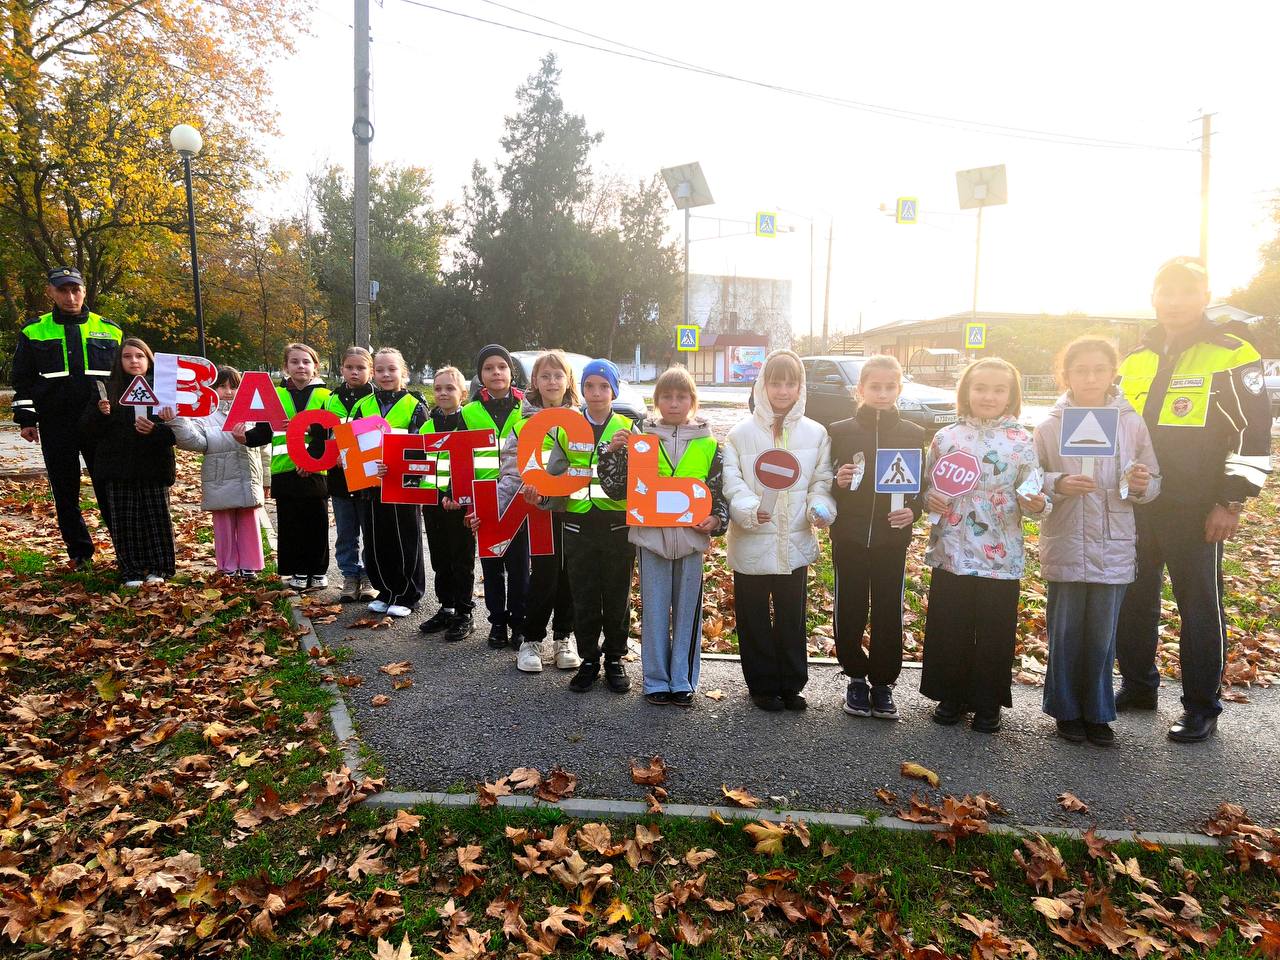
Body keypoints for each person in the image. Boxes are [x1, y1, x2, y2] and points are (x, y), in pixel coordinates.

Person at [1114, 256, 1272, 743]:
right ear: (1154, 297)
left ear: (1204, 297)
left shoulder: (1231, 352)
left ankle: (1201, 705)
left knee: (1199, 607)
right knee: (1133, 600)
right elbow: (1114, 430)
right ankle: (1139, 687)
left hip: (1198, 507)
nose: (1175, 302)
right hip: (1138, 504)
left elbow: (1254, 432)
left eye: (1186, 292)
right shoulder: (1136, 358)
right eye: (1166, 292)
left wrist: (1231, 501)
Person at [1034, 338, 1160, 746]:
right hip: (1067, 540)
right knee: (1066, 631)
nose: (1090, 378)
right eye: (1081, 370)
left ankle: (1099, 712)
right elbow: (1031, 480)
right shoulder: (1050, 424)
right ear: (1065, 375)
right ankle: (1066, 710)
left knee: (1103, 635)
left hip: (1113, 542)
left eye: (1099, 369)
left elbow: (1151, 480)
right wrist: (1059, 483)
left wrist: (1140, 484)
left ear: (1112, 373)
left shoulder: (1130, 422)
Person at [920, 357, 1047, 733]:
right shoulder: (946, 437)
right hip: (952, 548)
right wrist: (930, 498)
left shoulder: (1024, 442)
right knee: (951, 622)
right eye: (980, 388)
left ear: (1012, 395)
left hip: (999, 549)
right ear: (966, 392)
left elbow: (1033, 489)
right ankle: (951, 694)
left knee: (995, 627)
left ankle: (988, 700)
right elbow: (928, 484)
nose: (988, 396)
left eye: (998, 389)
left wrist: (1036, 504)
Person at [599, 365, 727, 706]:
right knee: (654, 611)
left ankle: (683, 679)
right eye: (666, 396)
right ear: (656, 401)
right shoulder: (640, 440)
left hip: (690, 541)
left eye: (681, 396)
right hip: (651, 539)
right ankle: (655, 680)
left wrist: (716, 519)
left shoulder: (710, 445)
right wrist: (612, 453)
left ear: (693, 401)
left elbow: (719, 492)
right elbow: (614, 489)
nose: (674, 403)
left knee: (687, 612)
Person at [722, 350, 835, 712]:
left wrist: (820, 508)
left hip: (794, 541)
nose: (782, 390)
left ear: (801, 387)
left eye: (790, 383)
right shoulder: (740, 435)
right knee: (753, 615)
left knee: (791, 615)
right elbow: (732, 484)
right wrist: (752, 511)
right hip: (752, 538)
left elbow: (821, 480)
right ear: (762, 385)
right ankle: (762, 685)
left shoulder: (816, 434)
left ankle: (792, 683)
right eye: (775, 382)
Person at [828, 355, 923, 720]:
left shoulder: (913, 434)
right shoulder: (840, 430)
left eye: (889, 387)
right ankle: (855, 676)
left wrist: (912, 510)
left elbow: (921, 487)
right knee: (850, 606)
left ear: (899, 389)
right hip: (849, 536)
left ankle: (883, 683)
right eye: (875, 387)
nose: (882, 393)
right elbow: (827, 483)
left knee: (888, 609)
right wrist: (838, 481)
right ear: (860, 390)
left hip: (891, 539)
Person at [10, 266, 122, 566]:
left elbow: (123, 379)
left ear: (84, 291)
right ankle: (81, 553)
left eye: (75, 290)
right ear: (51, 292)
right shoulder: (34, 330)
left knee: (110, 486)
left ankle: (125, 550)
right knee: (65, 490)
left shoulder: (110, 329)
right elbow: (22, 378)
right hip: (56, 422)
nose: (70, 296)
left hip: (100, 423)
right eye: (63, 290)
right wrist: (26, 419)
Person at [546, 359, 637, 694]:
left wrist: (613, 453)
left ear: (614, 390)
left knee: (617, 596)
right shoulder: (566, 428)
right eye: (589, 386)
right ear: (581, 390)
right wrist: (541, 494)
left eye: (603, 386)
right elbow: (553, 474)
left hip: (616, 525)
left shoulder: (628, 428)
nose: (596, 393)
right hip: (577, 524)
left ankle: (614, 658)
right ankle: (588, 660)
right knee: (582, 596)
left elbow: (638, 479)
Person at [495, 350, 582, 673]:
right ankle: (531, 641)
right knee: (543, 574)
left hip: (572, 510)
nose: (551, 381)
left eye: (558, 375)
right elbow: (511, 466)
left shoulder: (581, 421)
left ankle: (563, 638)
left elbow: (586, 466)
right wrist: (513, 499)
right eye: (545, 376)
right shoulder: (522, 422)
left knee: (569, 575)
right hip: (536, 511)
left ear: (568, 380)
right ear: (535, 381)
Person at [82, 337, 177, 587]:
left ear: (149, 360)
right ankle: (131, 570)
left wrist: (156, 429)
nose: (134, 361)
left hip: (154, 466)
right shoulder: (105, 390)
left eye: (139, 356)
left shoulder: (165, 391)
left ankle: (161, 567)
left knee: (157, 519)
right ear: (119, 361)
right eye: (127, 356)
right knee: (126, 521)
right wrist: (100, 414)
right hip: (118, 467)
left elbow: (177, 435)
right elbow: (87, 431)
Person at [242, 343, 332, 592]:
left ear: (315, 366)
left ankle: (317, 571)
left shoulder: (327, 397)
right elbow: (263, 432)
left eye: (306, 362)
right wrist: (245, 438)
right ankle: (297, 570)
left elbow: (330, 431)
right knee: (291, 524)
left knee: (317, 523)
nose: (300, 366)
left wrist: (310, 460)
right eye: (294, 362)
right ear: (285, 367)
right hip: (285, 471)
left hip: (316, 471)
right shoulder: (276, 396)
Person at [349, 348, 430, 617]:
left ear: (403, 373)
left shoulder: (415, 406)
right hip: (371, 487)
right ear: (374, 372)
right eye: (380, 370)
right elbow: (353, 446)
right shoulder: (363, 406)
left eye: (392, 369)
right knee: (376, 540)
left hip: (402, 486)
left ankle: (407, 594)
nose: (386, 375)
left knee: (404, 539)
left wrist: (398, 468)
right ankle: (385, 590)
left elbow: (422, 447)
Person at [169, 366, 270, 578]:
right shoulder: (204, 415)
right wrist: (177, 420)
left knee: (248, 521)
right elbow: (195, 442)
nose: (229, 392)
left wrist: (267, 479)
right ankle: (228, 566)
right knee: (223, 524)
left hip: (248, 477)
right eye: (222, 386)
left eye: (234, 386)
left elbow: (263, 448)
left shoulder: (252, 412)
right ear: (211, 388)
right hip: (219, 478)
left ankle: (250, 565)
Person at [461, 344, 529, 649]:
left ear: (511, 372)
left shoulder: (527, 407)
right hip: (486, 498)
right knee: (491, 563)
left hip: (521, 496)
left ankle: (519, 623)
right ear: (480, 376)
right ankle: (497, 623)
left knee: (519, 564)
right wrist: (467, 502)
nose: (496, 372)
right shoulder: (470, 411)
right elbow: (461, 460)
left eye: (502, 366)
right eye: (488, 368)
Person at [418, 366, 478, 642]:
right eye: (438, 388)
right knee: (440, 558)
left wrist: (454, 492)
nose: (443, 393)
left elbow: (472, 462)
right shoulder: (428, 426)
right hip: (433, 503)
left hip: (460, 503)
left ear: (463, 393)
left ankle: (465, 612)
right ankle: (447, 607)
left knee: (461, 559)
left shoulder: (467, 422)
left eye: (450, 388)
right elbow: (421, 465)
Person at [325, 347, 377, 602]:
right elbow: (321, 435)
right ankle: (349, 575)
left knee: (369, 530)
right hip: (338, 478)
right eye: (349, 367)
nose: (355, 372)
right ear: (342, 369)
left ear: (370, 370)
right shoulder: (331, 398)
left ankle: (368, 576)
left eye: (361, 368)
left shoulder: (375, 401)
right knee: (346, 532)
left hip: (366, 478)